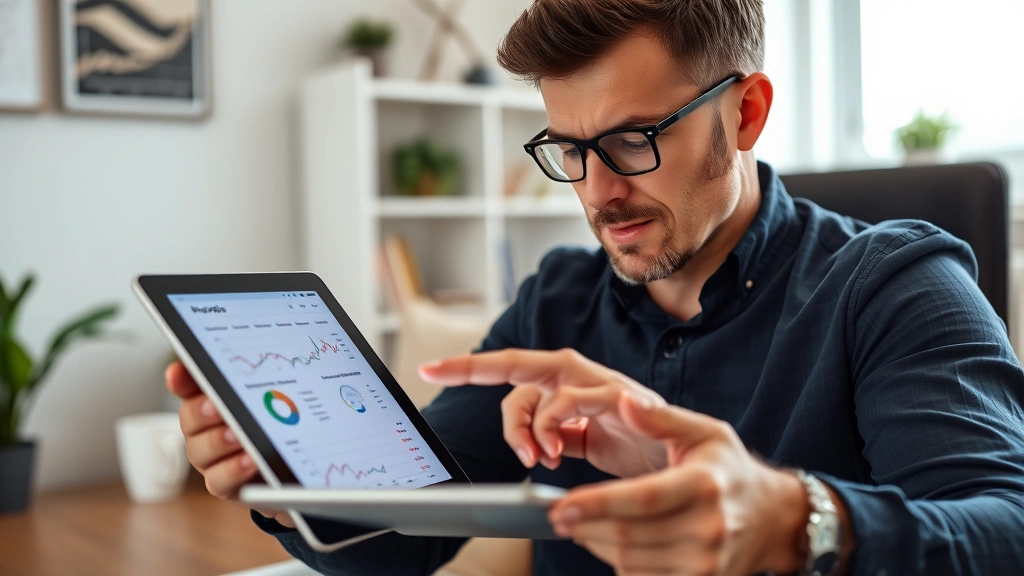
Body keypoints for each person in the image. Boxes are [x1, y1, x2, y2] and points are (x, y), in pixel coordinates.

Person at [166, 1, 1024, 574]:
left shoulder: (895, 287)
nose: (597, 190)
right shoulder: (558, 302)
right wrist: (285, 485)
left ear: (746, 113)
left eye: (632, 140)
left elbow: (1006, 529)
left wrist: (793, 520)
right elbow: (404, 542)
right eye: (569, 150)